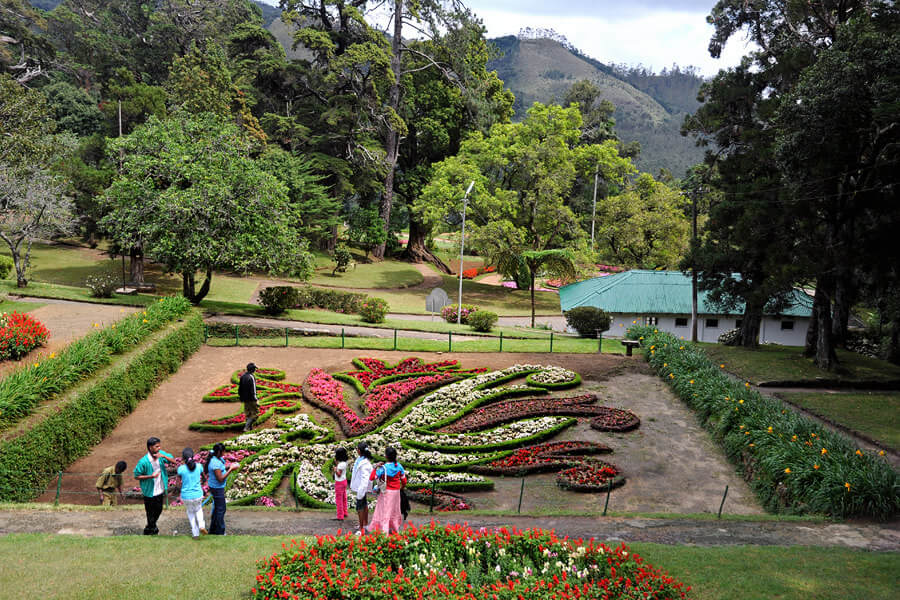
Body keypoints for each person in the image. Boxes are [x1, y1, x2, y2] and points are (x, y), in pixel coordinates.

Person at [133, 437, 175, 535]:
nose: (159, 448)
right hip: (149, 492)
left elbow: (174, 461)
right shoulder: (143, 461)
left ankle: (149, 528)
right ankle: (152, 531)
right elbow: (136, 476)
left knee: (159, 510)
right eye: (157, 446)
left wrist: (164, 456)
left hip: (160, 489)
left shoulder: (161, 455)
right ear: (150, 447)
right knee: (150, 513)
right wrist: (150, 476)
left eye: (159, 446)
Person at [366, 446, 407, 534]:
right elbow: (404, 481)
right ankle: (394, 527)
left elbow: (372, 477)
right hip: (396, 492)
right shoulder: (399, 466)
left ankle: (384, 531)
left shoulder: (383, 468)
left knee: (384, 510)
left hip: (386, 492)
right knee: (394, 510)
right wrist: (401, 487)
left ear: (386, 456)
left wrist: (375, 467)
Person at [205, 442, 239, 535]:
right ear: (219, 452)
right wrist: (231, 469)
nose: (225, 453)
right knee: (221, 509)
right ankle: (220, 531)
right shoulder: (215, 463)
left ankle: (213, 530)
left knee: (217, 509)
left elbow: (221, 469)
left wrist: (229, 466)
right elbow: (220, 479)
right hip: (217, 488)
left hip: (216, 487)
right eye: (224, 451)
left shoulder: (215, 458)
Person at [177, 447, 207, 539]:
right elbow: (204, 478)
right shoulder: (199, 466)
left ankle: (195, 533)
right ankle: (201, 525)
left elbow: (177, 484)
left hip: (186, 496)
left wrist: (180, 490)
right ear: (193, 456)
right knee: (198, 510)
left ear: (183, 458)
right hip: (198, 494)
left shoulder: (181, 469)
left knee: (191, 512)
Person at [348, 441, 374, 535]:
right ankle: (364, 524)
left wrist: (361, 491)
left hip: (361, 489)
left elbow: (365, 479)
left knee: (360, 508)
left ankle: (361, 528)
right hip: (360, 487)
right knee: (364, 505)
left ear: (359, 450)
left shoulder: (364, 463)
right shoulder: (361, 459)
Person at [239, 362, 260, 432]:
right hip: (251, 399)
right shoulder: (251, 377)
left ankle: (250, 428)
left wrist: (241, 398)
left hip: (245, 399)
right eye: (254, 369)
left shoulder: (243, 376)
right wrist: (256, 399)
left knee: (248, 414)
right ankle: (246, 427)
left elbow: (240, 389)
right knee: (255, 414)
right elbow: (253, 390)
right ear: (252, 370)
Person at [332, 446, 349, 521]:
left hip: (339, 482)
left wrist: (335, 469)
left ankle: (340, 516)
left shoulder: (341, 465)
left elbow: (339, 474)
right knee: (344, 498)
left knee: (339, 499)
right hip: (344, 481)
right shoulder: (344, 463)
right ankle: (345, 512)